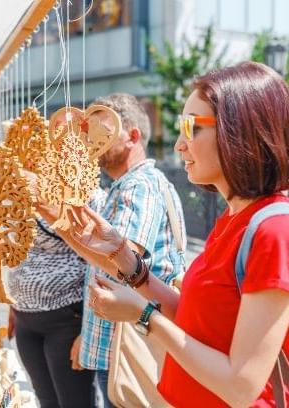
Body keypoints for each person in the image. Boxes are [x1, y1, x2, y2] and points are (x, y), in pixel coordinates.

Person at [67, 62, 289, 407]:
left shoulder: (273, 229)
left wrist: (144, 317)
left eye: (191, 128)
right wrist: (127, 259)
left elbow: (241, 386)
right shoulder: (235, 218)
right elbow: (197, 318)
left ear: (239, 130)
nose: (179, 145)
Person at [37, 93, 186, 407]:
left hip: (128, 345)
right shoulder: (132, 184)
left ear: (132, 136)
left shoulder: (139, 185)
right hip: (118, 341)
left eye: (102, 131)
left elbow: (121, 266)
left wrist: (57, 218)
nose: (92, 141)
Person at [7, 210, 103, 408]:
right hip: (24, 318)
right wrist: (13, 301)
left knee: (74, 403)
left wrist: (89, 329)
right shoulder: (22, 189)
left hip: (66, 319)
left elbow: (99, 265)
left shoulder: (84, 194)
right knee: (46, 399)